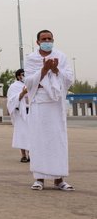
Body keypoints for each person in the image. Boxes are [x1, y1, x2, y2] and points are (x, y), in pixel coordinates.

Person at [25, 30, 74, 191]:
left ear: (53, 40)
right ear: (38, 42)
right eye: (44, 39)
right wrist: (44, 70)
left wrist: (55, 70)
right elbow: (30, 81)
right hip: (39, 103)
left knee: (57, 141)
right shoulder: (32, 59)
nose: (47, 41)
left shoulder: (61, 56)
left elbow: (68, 79)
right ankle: (39, 179)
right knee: (39, 140)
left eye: (49, 39)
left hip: (55, 105)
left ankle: (59, 179)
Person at [6, 69, 29, 163]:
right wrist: (23, 93)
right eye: (22, 75)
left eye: (25, 74)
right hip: (20, 114)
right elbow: (12, 100)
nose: (23, 76)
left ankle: (31, 154)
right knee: (21, 135)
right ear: (18, 76)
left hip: (30, 113)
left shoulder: (30, 84)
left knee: (31, 134)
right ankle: (23, 155)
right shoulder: (14, 86)